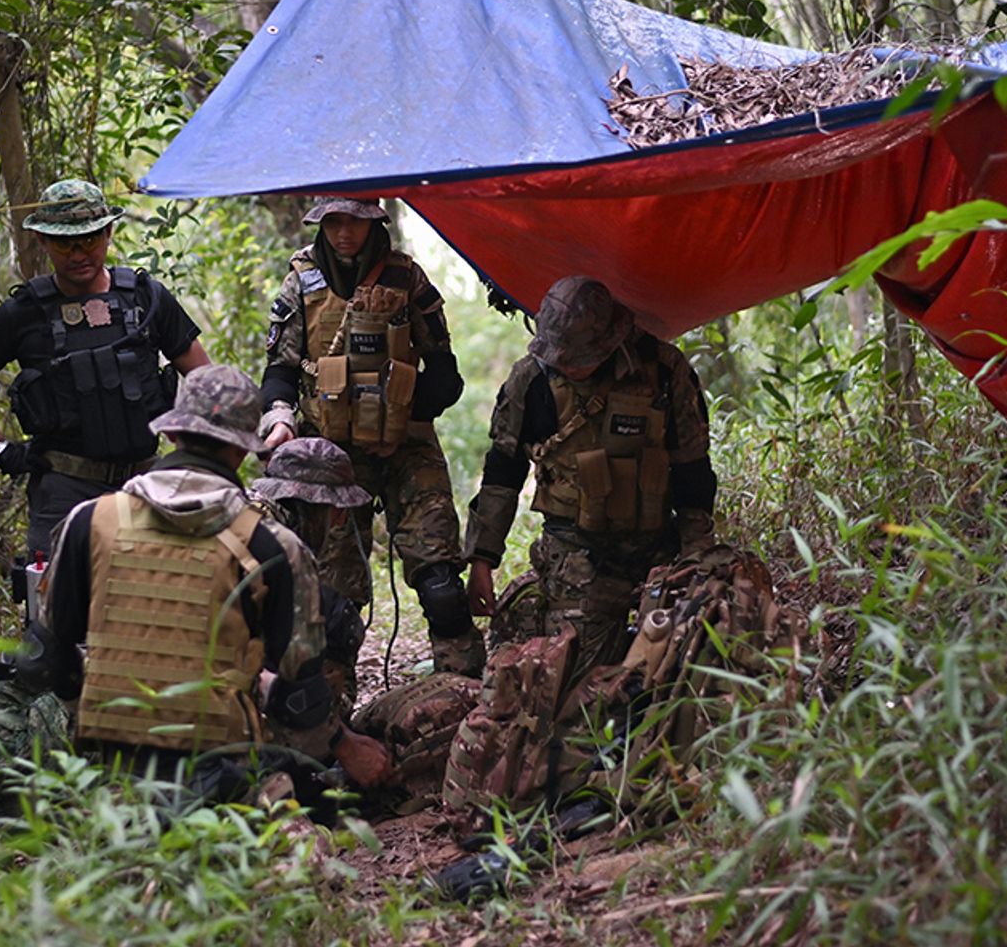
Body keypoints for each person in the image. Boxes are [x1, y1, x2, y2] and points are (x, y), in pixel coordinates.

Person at [0, 364, 393, 801]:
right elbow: (299, 700)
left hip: (102, 778)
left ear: (172, 435)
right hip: (222, 780)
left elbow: (43, 660)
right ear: (242, 450)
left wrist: (96, 719)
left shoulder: (88, 521)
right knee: (308, 852)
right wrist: (345, 747)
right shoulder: (274, 546)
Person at [258, 198, 486, 677]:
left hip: (407, 448)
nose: (344, 233)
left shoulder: (406, 278)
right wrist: (279, 420)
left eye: (355, 222)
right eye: (334, 222)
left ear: (373, 221)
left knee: (440, 581)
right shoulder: (301, 281)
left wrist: (400, 418)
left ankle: (463, 700)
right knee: (334, 600)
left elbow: (446, 376)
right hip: (331, 458)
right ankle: (330, 714)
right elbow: (279, 370)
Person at [0, 179, 211, 560]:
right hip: (65, 490)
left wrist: (200, 456)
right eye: (64, 243)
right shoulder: (24, 314)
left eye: (89, 239)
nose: (78, 253)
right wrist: (1, 449)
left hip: (146, 484)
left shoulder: (144, 298)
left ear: (108, 233)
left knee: (154, 602)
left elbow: (206, 379)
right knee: (57, 609)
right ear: (42, 241)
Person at [462, 275, 716, 672]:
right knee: (583, 679)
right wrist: (482, 560)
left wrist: (697, 557)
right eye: (557, 355)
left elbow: (692, 467)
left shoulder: (664, 370)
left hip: (658, 546)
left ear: (611, 340)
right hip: (576, 553)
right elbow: (502, 473)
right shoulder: (531, 381)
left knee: (689, 656)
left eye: (575, 357)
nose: (564, 364)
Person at [250, 437, 375, 716]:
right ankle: (323, 724)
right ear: (336, 511)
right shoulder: (277, 541)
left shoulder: (246, 513)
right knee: (335, 619)